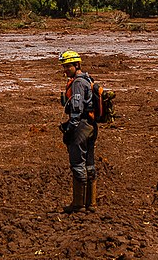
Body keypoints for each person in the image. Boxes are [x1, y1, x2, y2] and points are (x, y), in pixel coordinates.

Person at [58, 50, 98, 213]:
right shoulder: (88, 79)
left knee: (78, 165)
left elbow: (76, 107)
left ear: (77, 65)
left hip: (81, 126)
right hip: (91, 124)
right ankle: (91, 203)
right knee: (89, 164)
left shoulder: (77, 83)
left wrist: (70, 128)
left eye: (68, 66)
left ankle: (79, 204)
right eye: (64, 66)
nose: (65, 70)